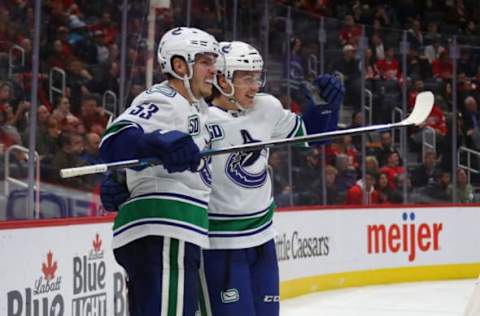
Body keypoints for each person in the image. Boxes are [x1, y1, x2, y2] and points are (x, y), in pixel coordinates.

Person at [199, 41, 343, 316]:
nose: (255, 86)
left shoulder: (267, 107)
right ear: (221, 78)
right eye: (246, 78)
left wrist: (327, 106)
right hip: (220, 243)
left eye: (257, 77)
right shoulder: (200, 120)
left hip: (263, 239)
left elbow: (314, 137)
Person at [98, 27, 219, 316]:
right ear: (179, 65)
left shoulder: (196, 109)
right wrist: (155, 141)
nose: (213, 70)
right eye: (205, 62)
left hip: (169, 231)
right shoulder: (165, 98)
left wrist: (123, 176)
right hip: (164, 229)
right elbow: (114, 141)